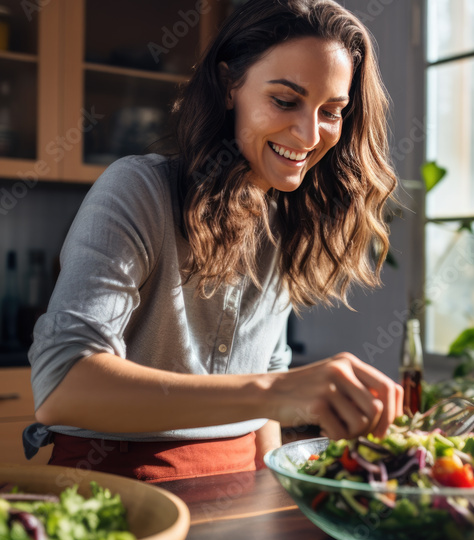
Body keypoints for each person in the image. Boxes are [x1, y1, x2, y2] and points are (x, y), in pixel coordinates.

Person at [22, 0, 402, 483]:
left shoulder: (289, 220)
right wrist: (274, 391)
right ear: (229, 86)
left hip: (243, 482)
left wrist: (271, 498)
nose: (310, 134)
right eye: (285, 101)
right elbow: (62, 385)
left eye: (332, 111)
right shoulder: (137, 189)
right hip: (113, 483)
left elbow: (263, 409)